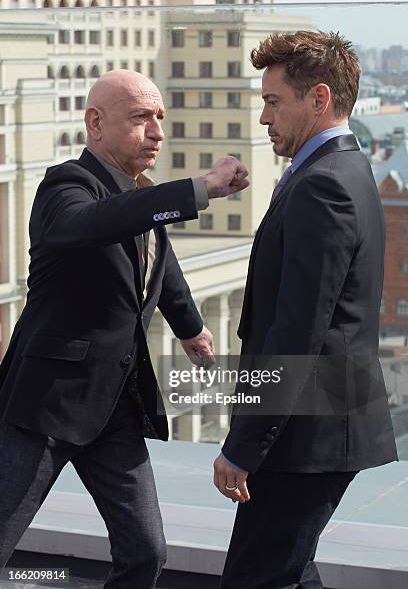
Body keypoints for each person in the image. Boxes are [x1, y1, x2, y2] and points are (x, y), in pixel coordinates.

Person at [0, 70, 249, 588]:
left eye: (160, 118)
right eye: (141, 118)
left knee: (146, 551)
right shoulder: (65, 184)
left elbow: (161, 263)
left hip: (115, 405)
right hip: (45, 404)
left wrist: (190, 327)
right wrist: (199, 188)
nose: (157, 132)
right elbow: (90, 224)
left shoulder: (141, 199)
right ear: (95, 122)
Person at [213, 31, 398, 588]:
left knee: (254, 578)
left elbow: (297, 332)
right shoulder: (341, 169)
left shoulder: (324, 186)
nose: (264, 117)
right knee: (286, 574)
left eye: (273, 101)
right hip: (315, 426)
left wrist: (243, 448)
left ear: (319, 99)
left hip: (308, 435)